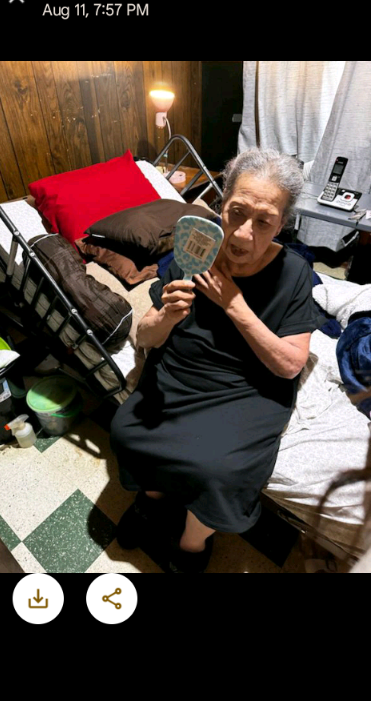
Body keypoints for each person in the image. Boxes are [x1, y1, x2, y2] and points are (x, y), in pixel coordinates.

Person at [110, 147, 325, 573]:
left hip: (248, 388)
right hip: (182, 372)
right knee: (128, 429)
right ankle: (152, 501)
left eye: (263, 221)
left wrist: (236, 306)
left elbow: (289, 365)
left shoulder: (295, 272)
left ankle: (192, 545)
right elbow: (145, 336)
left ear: (282, 224)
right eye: (236, 212)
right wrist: (166, 316)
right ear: (221, 205)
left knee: (219, 472)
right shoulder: (194, 245)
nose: (243, 233)